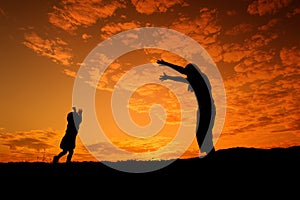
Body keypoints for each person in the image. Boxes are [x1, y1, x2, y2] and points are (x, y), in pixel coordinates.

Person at [157, 59, 216, 158]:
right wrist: (168, 77)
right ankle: (208, 152)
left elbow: (182, 72)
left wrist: (166, 63)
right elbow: (181, 78)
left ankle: (211, 153)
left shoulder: (201, 78)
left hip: (208, 109)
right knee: (201, 132)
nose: (187, 76)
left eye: (188, 73)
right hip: (202, 109)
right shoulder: (195, 79)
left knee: (204, 132)